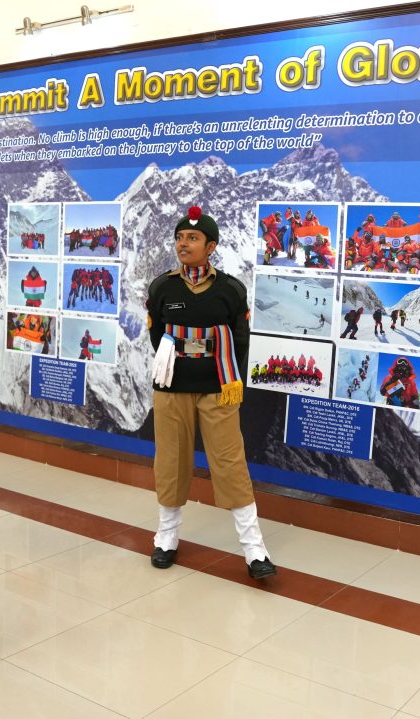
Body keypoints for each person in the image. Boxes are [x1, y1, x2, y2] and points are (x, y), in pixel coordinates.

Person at [146, 205, 276, 581]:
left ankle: (254, 550)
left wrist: (225, 376)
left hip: (217, 390)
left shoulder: (230, 290)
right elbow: (158, 336)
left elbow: (240, 340)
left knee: (230, 462)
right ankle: (166, 538)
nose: (182, 244)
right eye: (179, 238)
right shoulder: (162, 287)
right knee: (170, 460)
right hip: (172, 389)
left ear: (211, 246)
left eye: (192, 238)